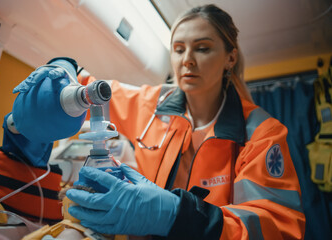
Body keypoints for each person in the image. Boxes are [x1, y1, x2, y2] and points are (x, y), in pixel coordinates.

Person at [15, 4, 305, 239]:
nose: (187, 60)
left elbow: (277, 229)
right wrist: (63, 65)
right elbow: (90, 88)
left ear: (230, 58)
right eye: (179, 49)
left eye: (202, 48)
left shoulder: (260, 134)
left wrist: (176, 216)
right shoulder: (153, 106)